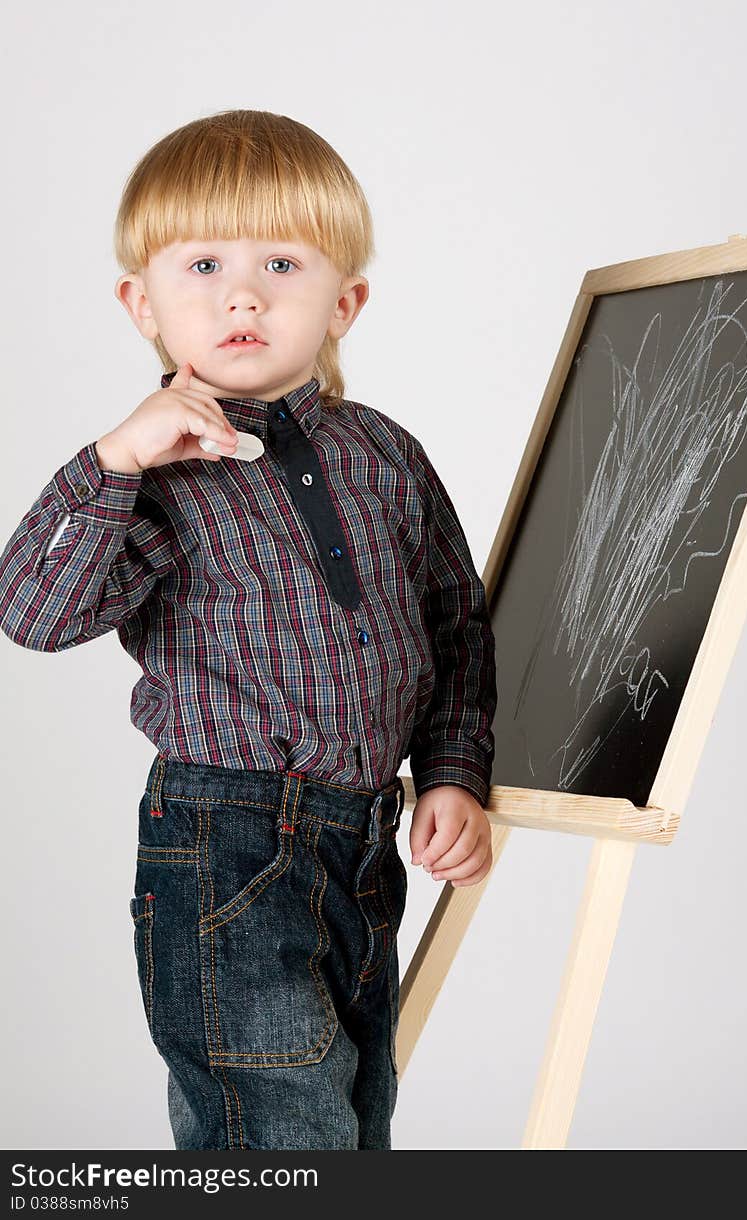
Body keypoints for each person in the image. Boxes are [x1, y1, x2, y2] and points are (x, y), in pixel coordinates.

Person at [0, 109, 497, 1151]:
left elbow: (456, 621)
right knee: (272, 1117)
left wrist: (451, 768)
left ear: (343, 301)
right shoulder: (155, 476)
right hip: (225, 842)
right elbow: (32, 615)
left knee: (356, 1107)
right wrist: (113, 462)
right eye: (205, 264)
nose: (243, 293)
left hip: (362, 835)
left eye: (282, 261)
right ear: (143, 303)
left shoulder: (384, 455)